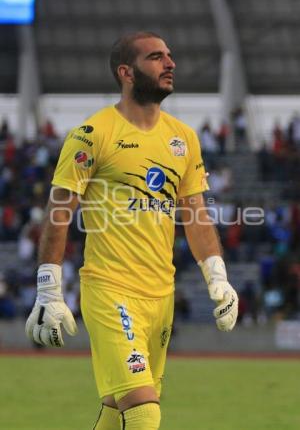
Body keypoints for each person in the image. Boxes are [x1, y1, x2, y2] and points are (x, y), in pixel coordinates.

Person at [25, 31, 238, 430]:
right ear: (126, 72)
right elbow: (58, 212)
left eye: (170, 56)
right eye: (156, 57)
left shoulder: (183, 138)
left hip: (161, 294)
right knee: (144, 413)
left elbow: (196, 215)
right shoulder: (92, 134)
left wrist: (218, 277)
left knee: (115, 410)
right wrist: (48, 289)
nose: (170, 63)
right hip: (110, 289)